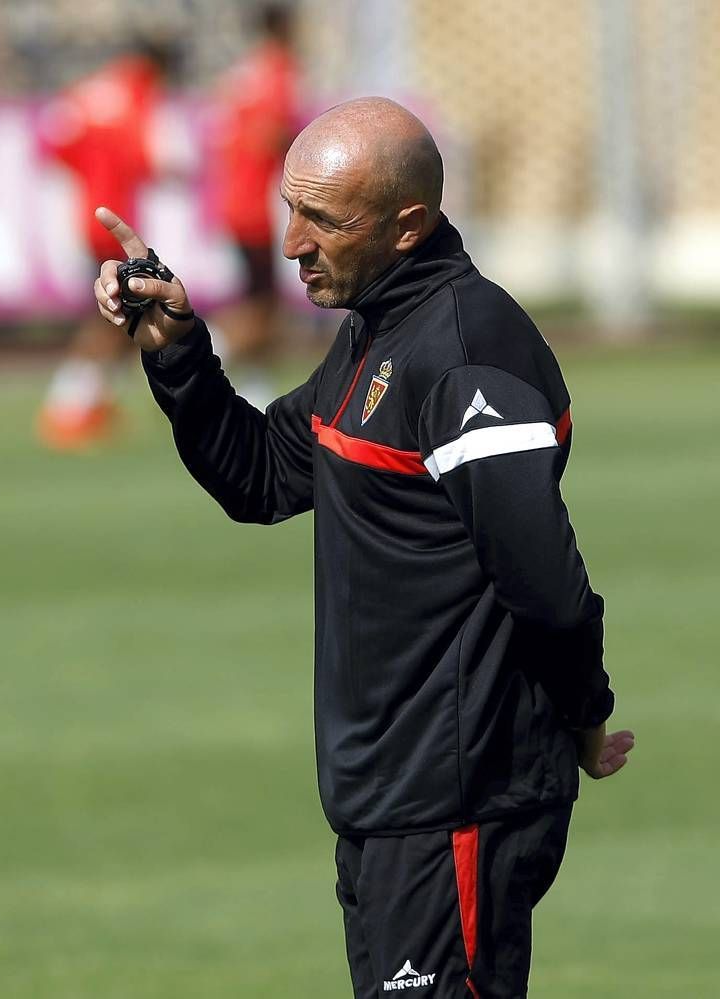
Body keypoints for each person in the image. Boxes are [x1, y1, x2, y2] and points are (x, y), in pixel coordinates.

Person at [93, 97, 635, 997]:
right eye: (290, 209)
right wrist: (176, 346)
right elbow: (263, 476)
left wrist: (582, 712)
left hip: (458, 799)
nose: (293, 242)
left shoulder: (465, 352)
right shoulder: (376, 336)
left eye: (324, 220)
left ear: (406, 225)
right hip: (388, 800)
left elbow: (546, 582)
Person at [36, 39, 176, 449]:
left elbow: (55, 145)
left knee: (120, 314)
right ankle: (67, 405)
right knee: (114, 316)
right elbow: (147, 158)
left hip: (90, 213)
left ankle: (93, 402)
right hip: (116, 219)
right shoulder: (135, 95)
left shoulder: (93, 91)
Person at [210, 2, 301, 409]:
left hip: (235, 198)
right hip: (258, 205)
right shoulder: (277, 71)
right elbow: (273, 135)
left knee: (265, 301)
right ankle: (199, 351)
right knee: (262, 305)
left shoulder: (242, 74)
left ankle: (256, 388)